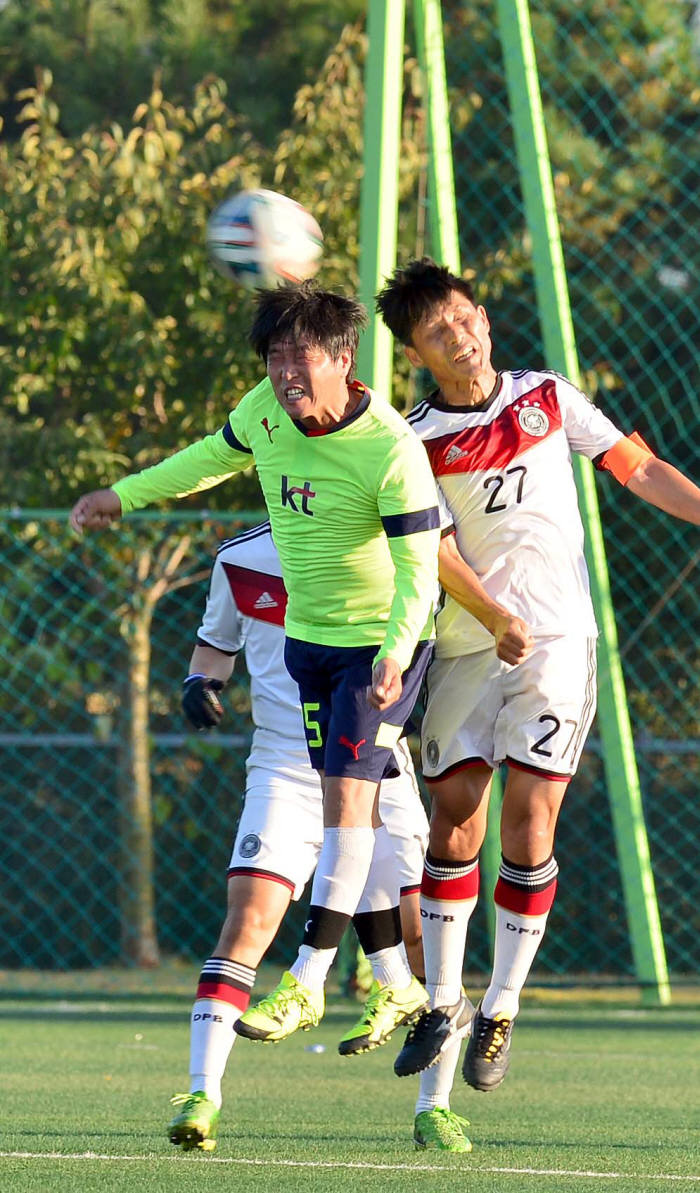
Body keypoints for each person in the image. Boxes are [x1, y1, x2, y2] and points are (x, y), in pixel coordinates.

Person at [375, 257, 700, 1150]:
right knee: (455, 823)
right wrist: (491, 614)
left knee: (531, 818)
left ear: (482, 316)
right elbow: (431, 549)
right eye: (440, 333)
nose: (463, 337)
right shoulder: (412, 439)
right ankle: (444, 999)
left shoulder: (548, 397)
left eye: (467, 319)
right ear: (417, 351)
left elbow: (637, 468)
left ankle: (502, 1003)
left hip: (558, 643)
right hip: (470, 646)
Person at [70, 282, 440, 1064]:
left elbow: (419, 569)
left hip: (378, 650)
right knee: (356, 816)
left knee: (345, 801)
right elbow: (206, 460)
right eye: (273, 356)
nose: (284, 371)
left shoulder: (390, 446)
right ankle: (395, 980)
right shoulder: (264, 413)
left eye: (299, 355)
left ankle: (308, 975)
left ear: (344, 358)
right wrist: (123, 496)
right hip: (310, 645)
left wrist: (398, 652)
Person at [168, 521, 430, 1152]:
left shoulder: (380, 544)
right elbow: (215, 647)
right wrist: (198, 684)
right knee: (248, 922)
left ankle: (434, 1105)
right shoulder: (240, 558)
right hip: (284, 764)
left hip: (375, 759)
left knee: (421, 932)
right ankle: (203, 1094)